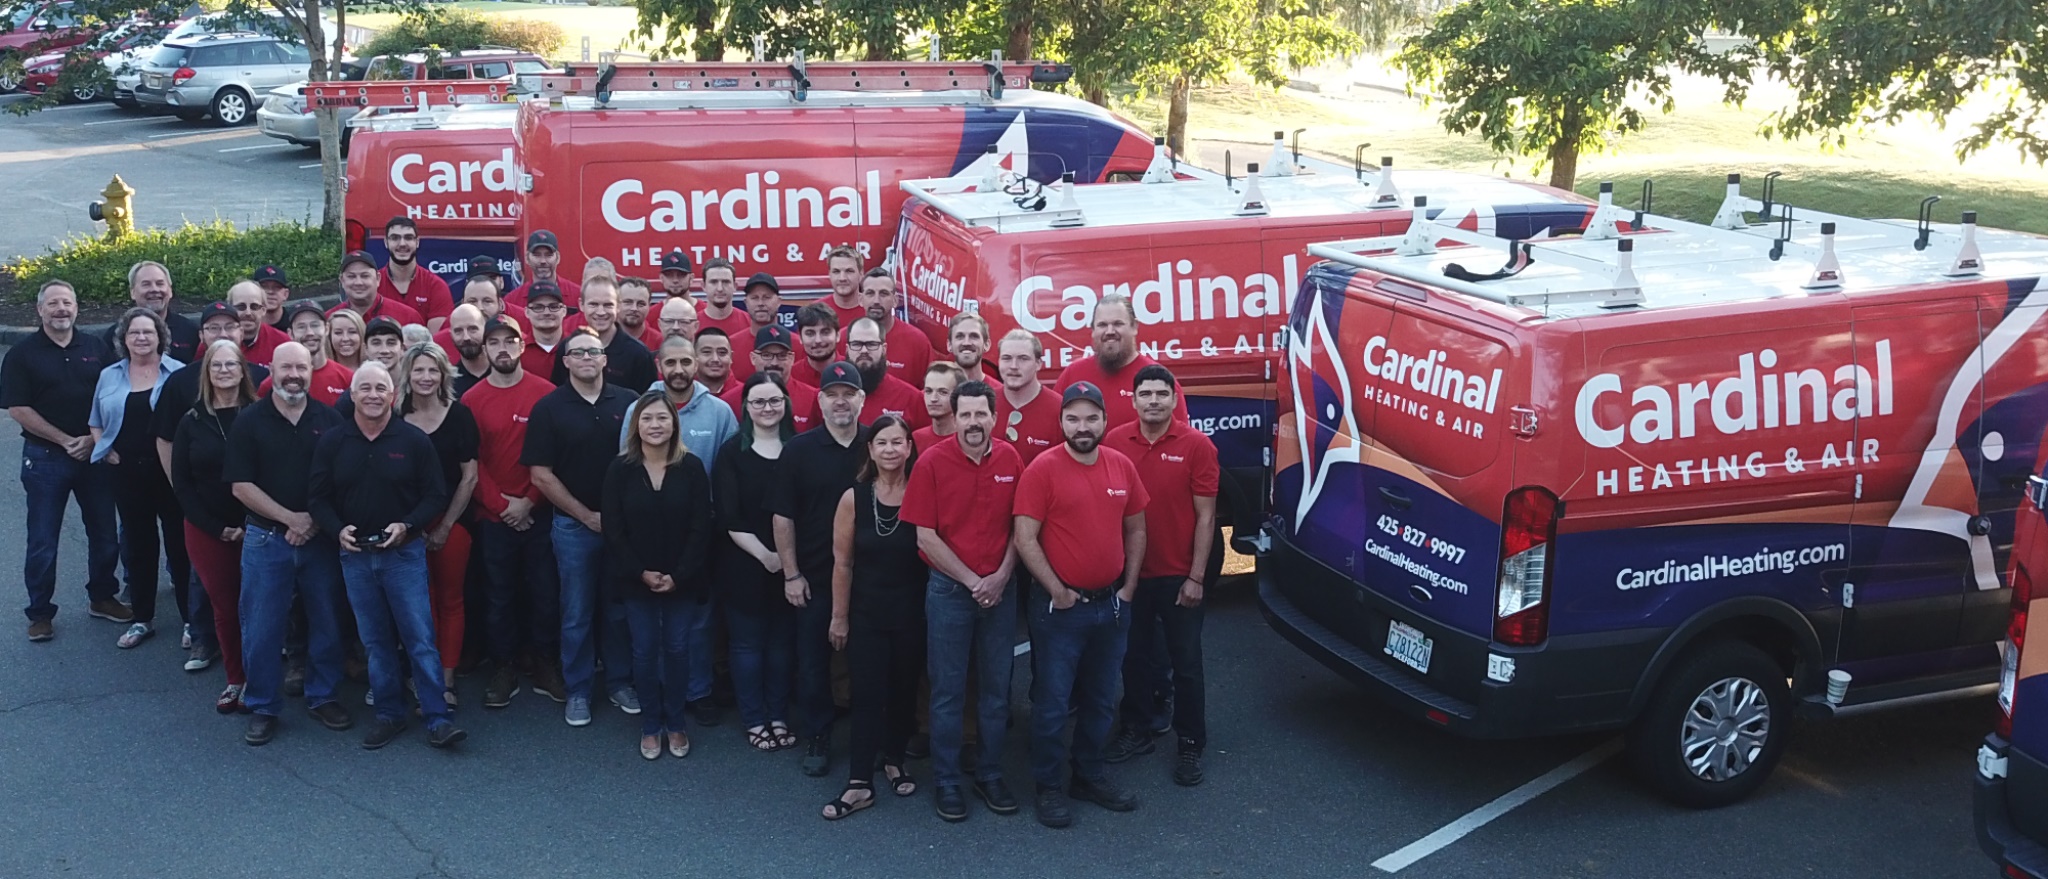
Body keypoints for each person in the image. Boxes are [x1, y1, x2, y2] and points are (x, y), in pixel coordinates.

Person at [1013, 381, 1150, 828]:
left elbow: (1136, 529)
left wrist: (1128, 588)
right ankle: (1049, 785)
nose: (1082, 426)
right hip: (1060, 610)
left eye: (1091, 417)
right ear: (1062, 422)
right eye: (1073, 418)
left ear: (1105, 422)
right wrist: (1055, 589)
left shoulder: (1121, 466)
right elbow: (1025, 537)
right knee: (1052, 704)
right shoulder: (1042, 469)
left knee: (1100, 700)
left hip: (1110, 606)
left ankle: (1088, 775)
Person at [310, 362, 466, 750]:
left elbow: (435, 495)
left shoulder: (413, 440)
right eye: (365, 388)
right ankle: (389, 714)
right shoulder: (332, 441)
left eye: (381, 388)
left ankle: (437, 718)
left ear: (393, 395)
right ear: (353, 395)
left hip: (403, 554)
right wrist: (335, 529)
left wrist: (408, 526)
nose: (374, 395)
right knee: (376, 642)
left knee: (420, 639)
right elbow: (317, 497)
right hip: (355, 557)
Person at [901, 379, 1023, 821]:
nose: (973, 422)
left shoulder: (1011, 459)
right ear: (954, 418)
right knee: (947, 693)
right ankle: (948, 781)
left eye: (981, 414)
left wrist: (1002, 576)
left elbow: (1020, 528)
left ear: (995, 416)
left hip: (1000, 590)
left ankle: (989, 773)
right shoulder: (931, 462)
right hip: (951, 592)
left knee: (995, 693)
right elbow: (925, 537)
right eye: (965, 414)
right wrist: (976, 581)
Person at [225, 341, 354, 746]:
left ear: (311, 371)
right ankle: (263, 704)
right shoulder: (249, 421)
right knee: (263, 627)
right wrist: (289, 519)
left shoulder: (330, 420)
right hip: (267, 539)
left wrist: (312, 520)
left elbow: (341, 482)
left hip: (319, 540)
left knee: (327, 621)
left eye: (301, 367)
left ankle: (323, 695)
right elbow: (240, 486)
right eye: (286, 368)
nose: (294, 374)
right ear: (272, 371)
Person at [1101, 365, 1217, 786]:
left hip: (1178, 576)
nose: (1153, 401)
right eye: (1145, 394)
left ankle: (1190, 742)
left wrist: (1197, 577)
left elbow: (1207, 518)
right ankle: (1136, 727)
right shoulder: (1114, 442)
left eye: (1161, 394)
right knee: (1132, 658)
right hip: (1130, 575)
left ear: (1174, 399)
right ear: (1133, 400)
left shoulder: (1197, 446)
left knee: (1186, 665)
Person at [525, 327, 638, 727]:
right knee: (575, 612)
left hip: (623, 530)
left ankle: (621, 682)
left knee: (619, 609)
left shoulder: (629, 404)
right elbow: (541, 475)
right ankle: (578, 689)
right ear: (566, 361)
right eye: (578, 352)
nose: (587, 357)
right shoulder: (549, 408)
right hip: (573, 529)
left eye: (594, 351)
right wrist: (586, 516)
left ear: (605, 359)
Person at [6, 280, 125, 642]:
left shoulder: (96, 347)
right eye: (53, 303)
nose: (61, 309)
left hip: (94, 455)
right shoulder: (22, 355)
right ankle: (40, 613)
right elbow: (18, 409)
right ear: (39, 310)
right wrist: (65, 440)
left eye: (67, 302)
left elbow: (114, 394)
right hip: (45, 459)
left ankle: (103, 597)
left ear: (77, 308)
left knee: (105, 533)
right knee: (43, 539)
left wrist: (92, 440)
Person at [822, 415, 926, 819]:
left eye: (898, 443)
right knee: (866, 695)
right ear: (870, 449)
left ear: (909, 448)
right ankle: (859, 782)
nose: (890, 450)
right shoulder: (854, 497)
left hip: (911, 613)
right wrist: (839, 617)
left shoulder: (922, 491)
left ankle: (895, 759)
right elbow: (842, 563)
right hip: (865, 613)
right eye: (882, 442)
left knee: (903, 691)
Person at [605, 392, 716, 759]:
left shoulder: (692, 467)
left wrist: (679, 575)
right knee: (644, 650)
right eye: (648, 418)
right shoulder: (620, 469)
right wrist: (640, 572)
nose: (655, 425)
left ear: (674, 424)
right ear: (636, 424)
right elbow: (614, 528)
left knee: (678, 648)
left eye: (662, 418)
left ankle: (676, 722)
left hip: (682, 579)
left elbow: (702, 527)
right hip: (635, 579)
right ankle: (651, 724)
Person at [461, 315, 565, 707]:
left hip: (538, 513)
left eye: (510, 341)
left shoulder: (546, 394)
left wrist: (529, 502)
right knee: (498, 595)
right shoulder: (471, 400)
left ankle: (543, 662)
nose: (503, 348)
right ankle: (502, 666)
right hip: (493, 517)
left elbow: (552, 457)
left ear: (523, 346)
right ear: (484, 349)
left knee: (544, 592)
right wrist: (503, 505)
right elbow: (472, 463)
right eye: (495, 342)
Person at [770, 361, 868, 777]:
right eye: (832, 394)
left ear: (863, 400)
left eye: (849, 393)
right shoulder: (798, 450)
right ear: (820, 400)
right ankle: (818, 735)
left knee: (869, 664)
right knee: (812, 665)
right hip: (812, 577)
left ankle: (872, 741)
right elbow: (782, 516)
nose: (841, 401)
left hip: (871, 580)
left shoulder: (877, 444)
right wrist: (791, 574)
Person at [89, 307, 191, 651]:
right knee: (138, 547)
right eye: (134, 333)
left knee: (180, 547)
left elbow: (190, 424)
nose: (142, 338)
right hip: (127, 473)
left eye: (148, 332)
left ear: (161, 336)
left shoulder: (178, 373)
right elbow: (94, 419)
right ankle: (142, 619)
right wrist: (106, 449)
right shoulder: (109, 376)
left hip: (169, 472)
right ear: (124, 339)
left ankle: (191, 619)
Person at [715, 373, 800, 753]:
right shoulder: (732, 452)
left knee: (782, 644)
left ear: (786, 404)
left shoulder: (799, 449)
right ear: (746, 407)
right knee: (748, 645)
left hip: (793, 566)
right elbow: (729, 516)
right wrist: (767, 556)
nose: (768, 408)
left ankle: (778, 714)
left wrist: (787, 562)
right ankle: (754, 718)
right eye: (759, 402)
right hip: (746, 561)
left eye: (775, 401)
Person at [172, 339, 257, 710]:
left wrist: (250, 523)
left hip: (258, 527)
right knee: (225, 606)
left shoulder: (259, 415)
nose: (224, 371)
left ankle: (263, 677)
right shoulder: (191, 422)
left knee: (261, 605)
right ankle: (236, 679)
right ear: (206, 372)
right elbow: (183, 484)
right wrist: (217, 527)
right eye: (216, 365)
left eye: (231, 364)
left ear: (243, 370)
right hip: (207, 530)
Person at [401, 342, 480, 711]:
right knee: (418, 604)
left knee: (451, 600)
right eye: (419, 370)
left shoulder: (460, 416)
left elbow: (469, 477)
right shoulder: (395, 416)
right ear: (408, 375)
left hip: (453, 522)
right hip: (407, 526)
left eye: (433, 370)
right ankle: (423, 675)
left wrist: (446, 524)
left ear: (444, 375)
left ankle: (446, 680)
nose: (426, 377)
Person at [1053, 295, 1187, 429]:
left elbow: (1180, 440)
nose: (1110, 331)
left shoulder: (1160, 380)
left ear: (1134, 327)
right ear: (1093, 331)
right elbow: (1054, 430)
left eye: (1118, 324)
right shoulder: (1073, 374)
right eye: (1102, 325)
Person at [552, 278, 656, 392]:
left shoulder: (639, 354)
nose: (601, 312)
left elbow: (647, 404)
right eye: (593, 304)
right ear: (581, 305)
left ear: (618, 306)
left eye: (608, 305)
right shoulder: (567, 348)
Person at [718, 326, 818, 433]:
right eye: (766, 355)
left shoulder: (813, 398)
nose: (774, 363)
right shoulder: (729, 402)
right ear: (753, 358)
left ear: (792, 358)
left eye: (782, 355)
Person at [104, 261, 199, 363]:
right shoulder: (115, 335)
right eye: (146, 284)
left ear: (170, 291)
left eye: (160, 283)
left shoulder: (191, 331)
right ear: (133, 292)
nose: (154, 289)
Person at [263, 303, 355, 406]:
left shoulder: (348, 379)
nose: (309, 332)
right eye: (301, 327)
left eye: (315, 325)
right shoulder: (274, 384)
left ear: (327, 329)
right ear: (290, 333)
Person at [847, 318, 928, 430]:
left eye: (871, 344)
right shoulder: (833, 397)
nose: (864, 350)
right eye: (856, 344)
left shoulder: (911, 399)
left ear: (884, 349)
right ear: (847, 349)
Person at [377, 217, 455, 331]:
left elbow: (436, 341)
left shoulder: (436, 286)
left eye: (408, 238)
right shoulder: (373, 284)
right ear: (386, 242)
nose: (402, 243)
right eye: (395, 238)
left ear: (417, 242)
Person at [995, 329, 1061, 464]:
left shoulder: (1060, 409)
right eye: (1006, 358)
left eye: (1023, 359)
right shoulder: (984, 405)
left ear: (1038, 364)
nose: (1014, 366)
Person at [858, 269, 931, 386]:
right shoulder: (845, 339)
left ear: (895, 300)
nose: (876, 301)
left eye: (883, 294)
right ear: (860, 299)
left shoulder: (917, 342)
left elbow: (927, 390)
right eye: (870, 293)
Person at [331, 250, 425, 327]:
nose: (358, 282)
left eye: (365, 276)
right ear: (342, 281)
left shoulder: (408, 317)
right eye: (351, 276)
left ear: (378, 279)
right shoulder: (330, 319)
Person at [507, 230, 582, 311]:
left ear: (558, 258)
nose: (543, 261)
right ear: (527, 258)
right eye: (537, 255)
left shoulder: (578, 296)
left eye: (548, 255)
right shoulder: (512, 301)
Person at [733, 272, 783, 382]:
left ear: (779, 301)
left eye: (767, 297)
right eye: (755, 298)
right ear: (746, 302)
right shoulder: (731, 345)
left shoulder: (796, 344)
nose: (760, 303)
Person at [438, 303, 492, 397]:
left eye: (473, 329)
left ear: (486, 329)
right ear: (451, 335)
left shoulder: (504, 375)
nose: (466, 337)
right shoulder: (448, 385)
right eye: (458, 331)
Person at [518, 282, 569, 379]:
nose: (546, 312)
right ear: (527, 312)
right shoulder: (518, 352)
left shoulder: (577, 348)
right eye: (538, 307)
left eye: (553, 307)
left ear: (564, 311)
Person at [912, 362, 966, 453]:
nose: (933, 399)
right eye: (928, 391)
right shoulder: (916, 439)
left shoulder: (969, 439)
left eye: (943, 392)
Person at [229, 281, 287, 366]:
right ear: (230, 308)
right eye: (241, 307)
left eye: (254, 307)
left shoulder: (282, 342)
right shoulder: (216, 340)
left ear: (263, 310)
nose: (248, 313)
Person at [790, 302, 840, 389]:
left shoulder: (854, 372)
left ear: (838, 335)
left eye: (825, 332)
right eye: (810, 333)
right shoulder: (791, 375)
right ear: (800, 338)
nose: (818, 340)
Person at [697, 258, 749, 340]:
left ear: (735, 286)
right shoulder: (693, 325)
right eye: (713, 282)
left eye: (725, 282)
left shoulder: (749, 323)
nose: (720, 288)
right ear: (703, 286)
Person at [823, 246, 868, 330]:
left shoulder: (873, 310)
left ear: (861, 274)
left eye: (849, 271)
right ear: (829, 274)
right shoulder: (817, 312)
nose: (842, 278)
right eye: (836, 271)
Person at [946, 311, 991, 383]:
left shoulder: (1000, 392)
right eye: (960, 336)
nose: (966, 343)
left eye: (974, 336)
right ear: (949, 345)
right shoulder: (933, 392)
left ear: (986, 344)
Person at [617, 277, 662, 350]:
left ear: (649, 306)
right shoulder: (601, 339)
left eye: (641, 304)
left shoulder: (659, 343)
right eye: (628, 302)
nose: (634, 308)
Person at [695, 328, 736, 398]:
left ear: (731, 357)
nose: (715, 359)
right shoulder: (682, 392)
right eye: (707, 352)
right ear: (694, 356)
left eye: (722, 353)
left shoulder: (745, 393)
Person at [254, 264, 293, 332]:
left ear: (285, 294)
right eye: (264, 287)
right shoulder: (247, 325)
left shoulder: (294, 322)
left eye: (277, 287)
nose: (270, 291)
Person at [326, 307, 367, 372]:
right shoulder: (322, 371)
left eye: (352, 332)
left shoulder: (375, 368)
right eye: (338, 333)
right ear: (329, 336)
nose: (345, 338)